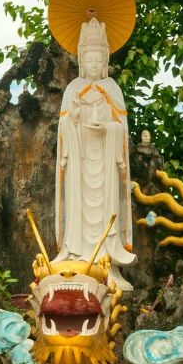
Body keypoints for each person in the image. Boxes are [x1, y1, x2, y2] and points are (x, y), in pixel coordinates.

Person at [55, 16, 136, 289]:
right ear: (81, 60)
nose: (92, 66)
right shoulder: (72, 89)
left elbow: (121, 128)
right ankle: (78, 257)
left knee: (106, 209)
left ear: (105, 62)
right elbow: (64, 125)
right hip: (79, 162)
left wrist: (108, 128)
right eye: (88, 61)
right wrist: (74, 115)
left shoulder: (113, 89)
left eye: (97, 61)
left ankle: (105, 264)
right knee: (77, 209)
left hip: (104, 159)